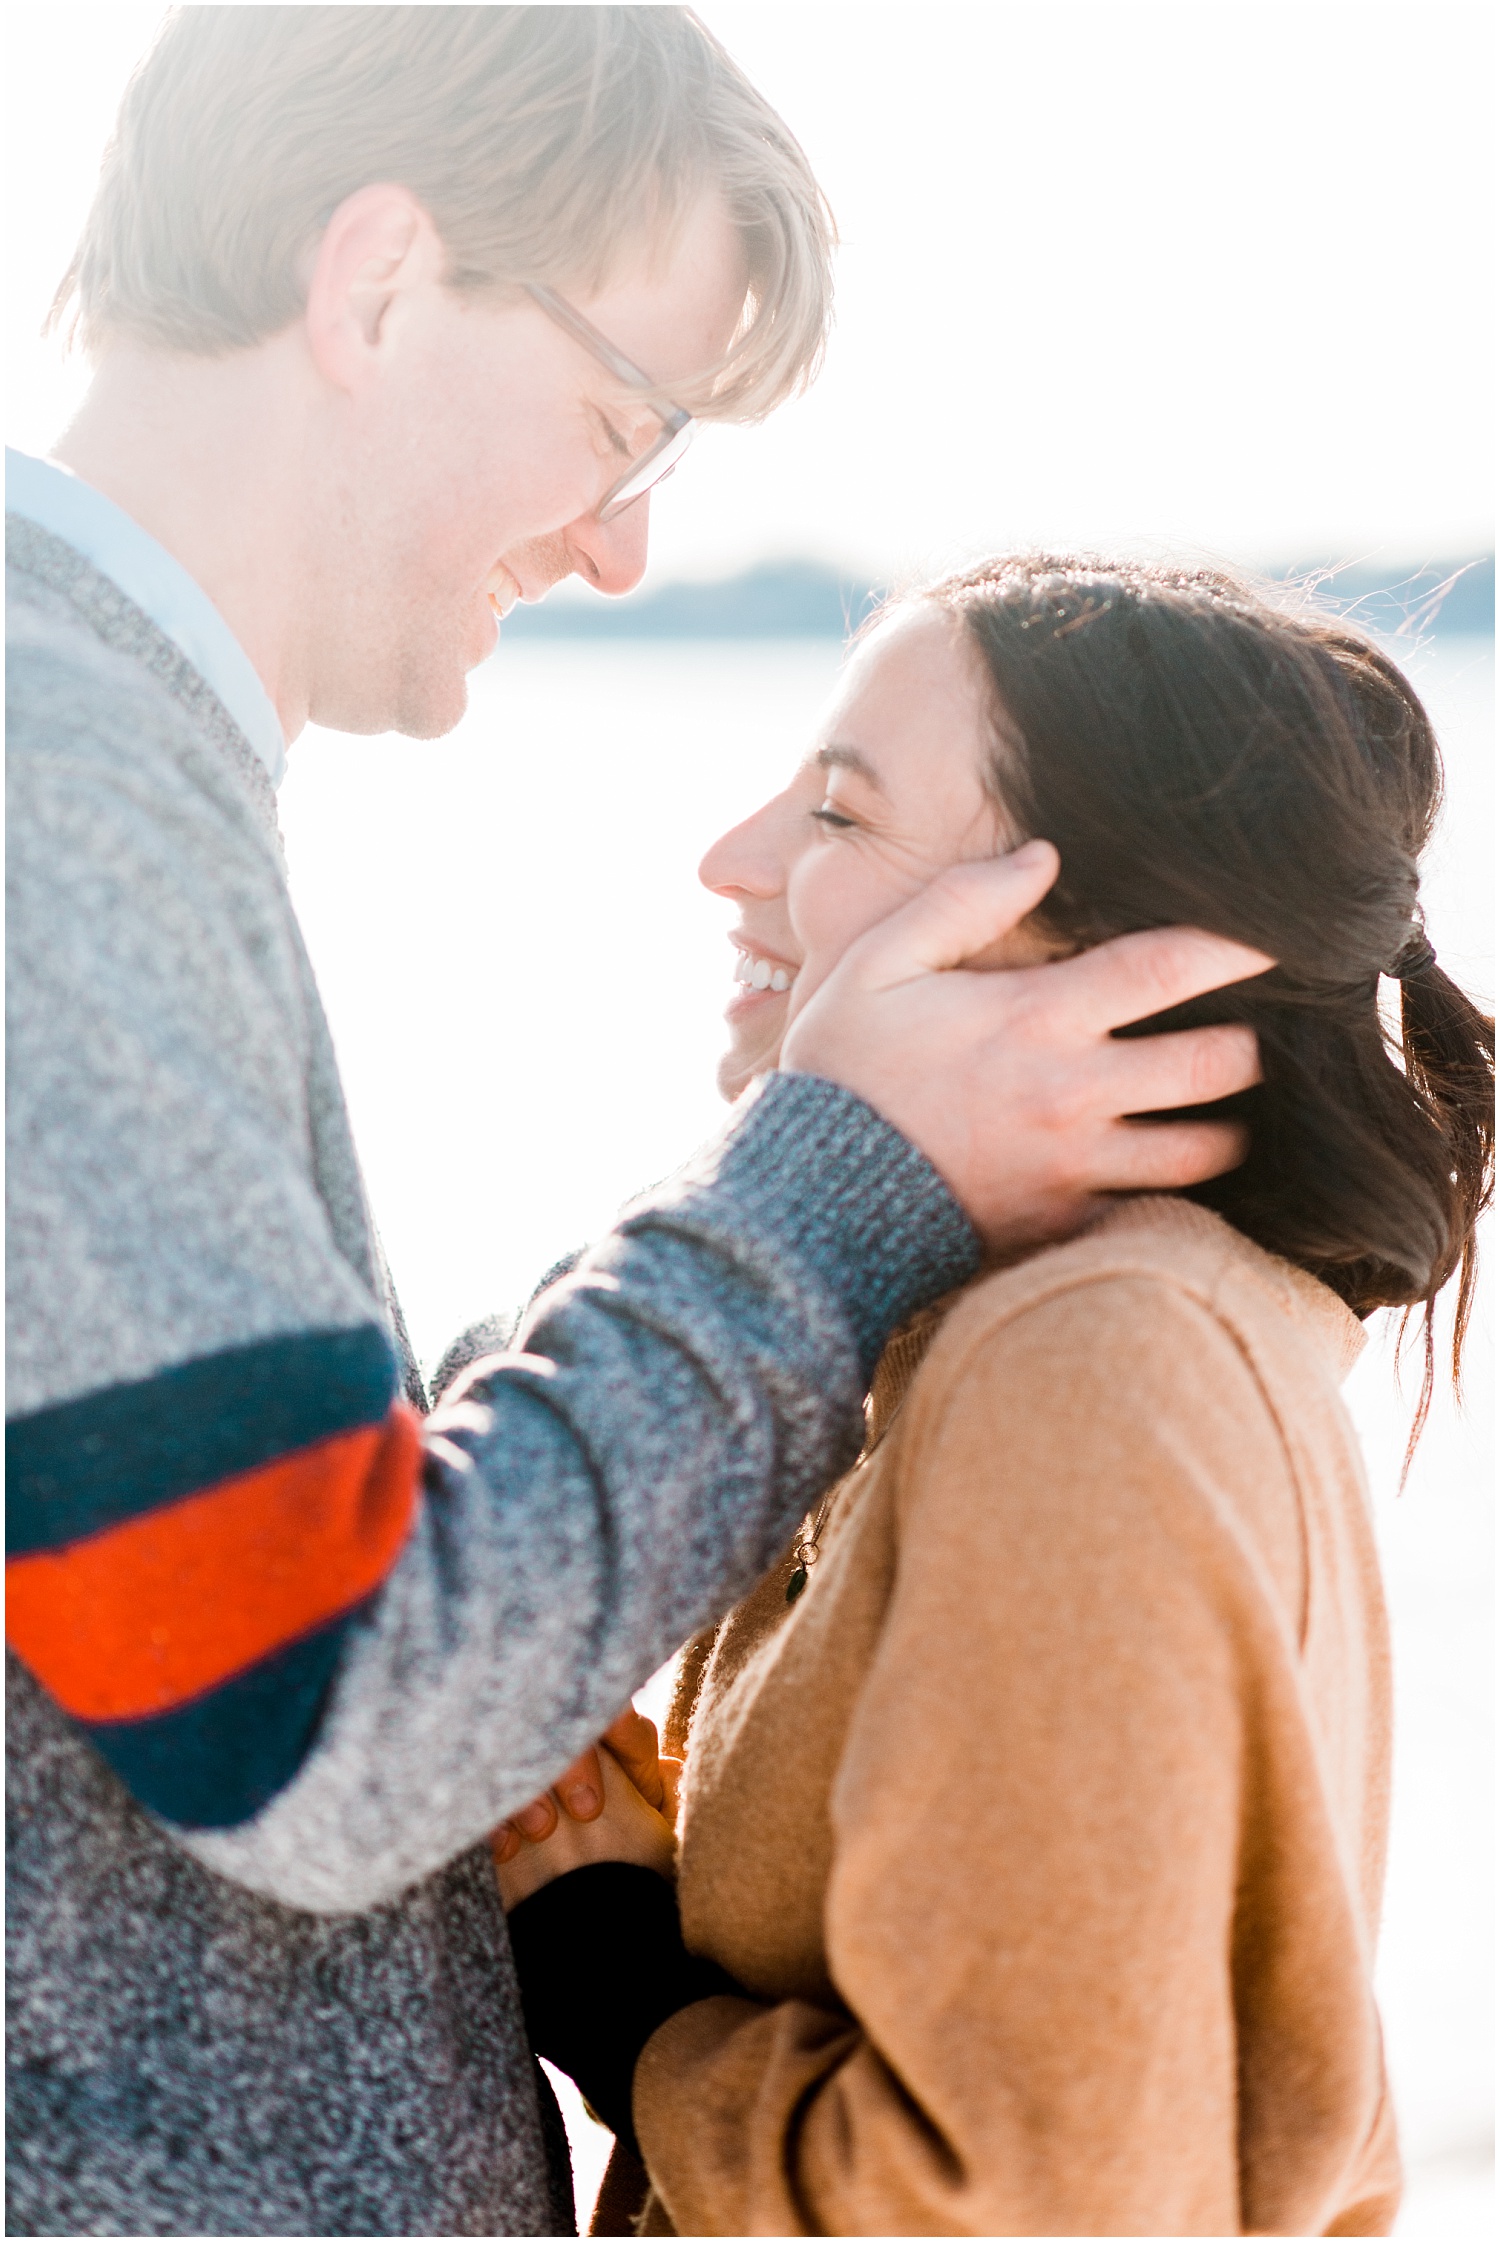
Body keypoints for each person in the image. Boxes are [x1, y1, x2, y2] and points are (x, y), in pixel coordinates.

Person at [5, 11, 1268, 2232]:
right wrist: (840, 1189)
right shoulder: (63, 789)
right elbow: (304, 1716)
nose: (619, 546)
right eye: (616, 420)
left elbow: (208, 1543)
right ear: (377, 281)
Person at [493, 554, 1495, 2238]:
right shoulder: (1122, 1330)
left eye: (837, 814)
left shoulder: (1088, 1362)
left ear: (1088, 950)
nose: (731, 859)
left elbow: (1018, 2193)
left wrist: (624, 2007)